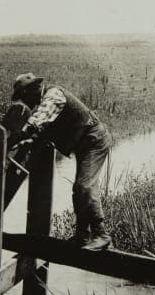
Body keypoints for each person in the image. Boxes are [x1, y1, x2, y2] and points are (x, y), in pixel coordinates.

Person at [7, 73, 113, 251]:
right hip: (84, 143)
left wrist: (12, 140)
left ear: (33, 89)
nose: (25, 102)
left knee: (84, 186)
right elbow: (42, 132)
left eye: (24, 97)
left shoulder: (53, 95)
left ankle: (101, 234)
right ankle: (83, 236)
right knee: (79, 189)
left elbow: (37, 121)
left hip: (94, 140)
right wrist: (25, 141)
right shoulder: (43, 101)